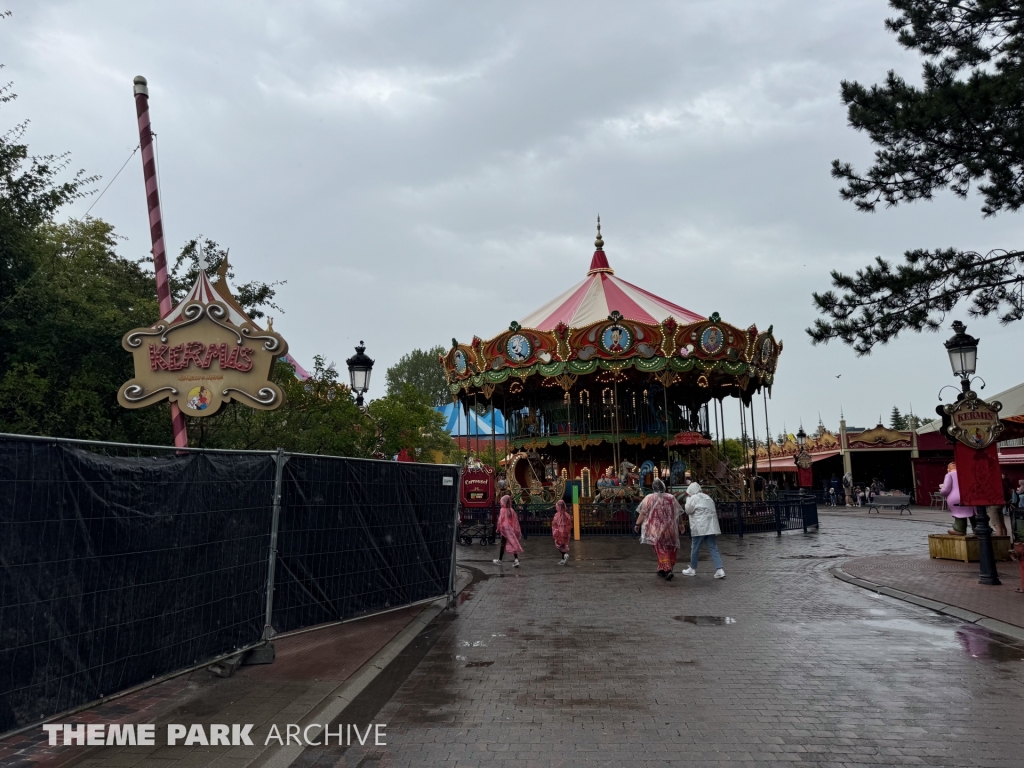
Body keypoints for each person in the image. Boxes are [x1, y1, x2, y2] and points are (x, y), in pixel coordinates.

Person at [634, 478, 684, 580]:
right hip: (670, 528)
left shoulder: (649, 498)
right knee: (670, 548)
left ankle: (667, 569)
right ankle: (662, 569)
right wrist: (681, 524)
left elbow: (643, 513)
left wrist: (637, 524)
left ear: (653, 488)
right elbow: (677, 513)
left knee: (660, 549)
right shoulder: (671, 498)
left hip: (655, 529)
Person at [681, 482, 725, 579]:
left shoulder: (693, 498)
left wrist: (687, 500)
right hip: (711, 527)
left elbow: (688, 511)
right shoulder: (708, 497)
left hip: (699, 527)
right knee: (713, 547)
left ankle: (692, 569)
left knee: (695, 548)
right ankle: (720, 569)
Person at [940, 463, 976, 536]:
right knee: (974, 514)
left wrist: (942, 491)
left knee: (960, 514)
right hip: (971, 496)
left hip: (955, 498)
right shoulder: (967, 473)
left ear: (948, 469)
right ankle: (977, 529)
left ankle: (959, 529)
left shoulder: (949, 475)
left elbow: (946, 489)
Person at [492, 495, 523, 567]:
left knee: (502, 544)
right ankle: (516, 560)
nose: (500, 503)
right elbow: (515, 521)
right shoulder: (511, 510)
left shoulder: (502, 510)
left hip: (504, 529)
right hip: (511, 529)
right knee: (513, 543)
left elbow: (500, 520)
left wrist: (498, 528)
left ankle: (500, 560)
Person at [552, 499, 572, 565]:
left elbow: (554, 524)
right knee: (564, 545)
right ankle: (563, 559)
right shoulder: (567, 515)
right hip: (566, 533)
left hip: (559, 533)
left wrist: (555, 532)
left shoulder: (557, 515)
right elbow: (569, 524)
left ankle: (565, 555)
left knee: (558, 545)